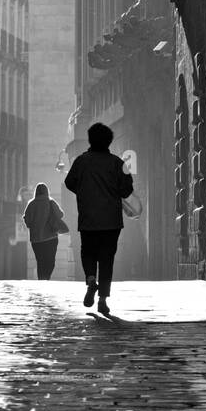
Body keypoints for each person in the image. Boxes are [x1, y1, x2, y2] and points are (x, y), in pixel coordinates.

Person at [64, 122, 134, 316]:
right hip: (111, 220)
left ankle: (90, 280)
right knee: (107, 258)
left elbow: (69, 182)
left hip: (88, 217)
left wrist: (84, 191)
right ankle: (102, 299)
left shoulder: (81, 161)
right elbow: (127, 188)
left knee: (87, 251)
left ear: (90, 140)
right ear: (109, 141)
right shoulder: (118, 163)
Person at [22, 183, 66, 280]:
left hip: (36, 240)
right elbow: (60, 215)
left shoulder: (31, 204)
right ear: (47, 191)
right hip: (51, 238)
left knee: (40, 261)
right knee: (50, 261)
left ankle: (42, 280)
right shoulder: (51, 202)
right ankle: (46, 279)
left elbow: (27, 221)